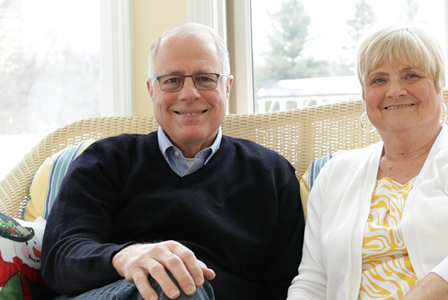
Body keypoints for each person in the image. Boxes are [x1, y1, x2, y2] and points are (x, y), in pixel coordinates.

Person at [41, 23, 304, 300]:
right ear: (151, 90)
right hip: (122, 293)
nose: (189, 93)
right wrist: (126, 256)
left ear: (227, 87)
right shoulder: (105, 160)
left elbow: (288, 284)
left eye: (205, 78)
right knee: (171, 284)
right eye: (172, 80)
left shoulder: (272, 173)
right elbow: (60, 258)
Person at [287, 25, 448, 300]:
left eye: (411, 76)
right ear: (364, 95)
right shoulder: (334, 174)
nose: (395, 91)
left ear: (438, 84)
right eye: (378, 80)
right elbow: (313, 281)